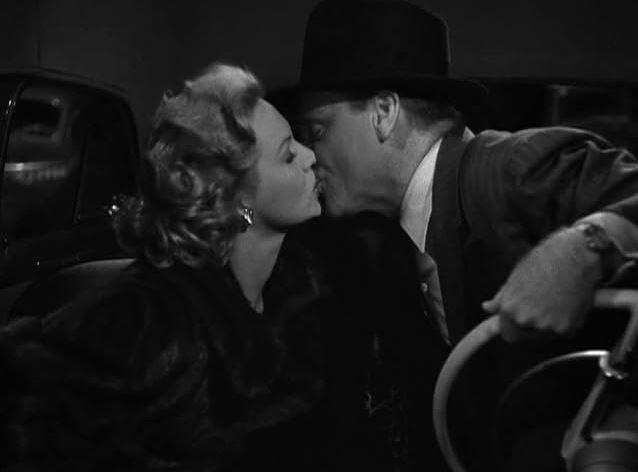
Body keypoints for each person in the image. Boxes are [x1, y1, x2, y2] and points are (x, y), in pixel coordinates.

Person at [273, 0, 638, 469]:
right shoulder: (388, 249)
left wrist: (585, 247)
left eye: (318, 131)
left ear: (384, 111)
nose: (310, 155)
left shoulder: (509, 169)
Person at [0, 63, 389, 471]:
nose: (310, 157)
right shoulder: (146, 320)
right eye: (288, 154)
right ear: (233, 198)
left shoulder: (308, 290)